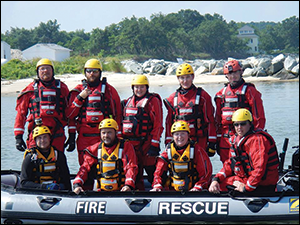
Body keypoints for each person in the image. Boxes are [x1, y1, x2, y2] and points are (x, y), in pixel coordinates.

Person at [209, 108, 279, 195]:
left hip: (262, 183)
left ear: (250, 124)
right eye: (236, 124)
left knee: (226, 187)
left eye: (243, 124)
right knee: (219, 184)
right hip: (246, 178)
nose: (239, 127)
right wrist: (216, 179)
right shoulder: (235, 140)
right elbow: (230, 163)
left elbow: (259, 169)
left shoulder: (257, 140)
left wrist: (246, 188)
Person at [66, 58, 122, 166]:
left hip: (103, 136)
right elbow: (69, 115)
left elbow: (118, 114)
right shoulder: (78, 91)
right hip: (84, 136)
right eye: (89, 71)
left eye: (95, 71)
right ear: (85, 73)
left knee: (104, 167)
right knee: (85, 167)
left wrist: (118, 136)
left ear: (100, 73)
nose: (92, 74)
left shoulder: (109, 91)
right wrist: (80, 98)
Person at [14, 58, 70, 152]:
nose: (45, 71)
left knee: (58, 161)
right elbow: (21, 114)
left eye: (48, 68)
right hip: (36, 132)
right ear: (37, 72)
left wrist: (71, 135)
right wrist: (18, 137)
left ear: (52, 71)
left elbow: (70, 112)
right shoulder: (29, 90)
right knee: (33, 160)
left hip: (57, 132)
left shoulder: (62, 88)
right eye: (42, 69)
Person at [214, 59, 266, 163]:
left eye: (235, 73)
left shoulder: (250, 91)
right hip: (226, 139)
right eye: (230, 74)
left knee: (246, 165)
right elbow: (217, 120)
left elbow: (259, 117)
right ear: (226, 75)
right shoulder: (221, 94)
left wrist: (254, 138)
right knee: (227, 167)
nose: (233, 76)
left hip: (244, 137)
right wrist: (217, 140)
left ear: (241, 72)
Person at [164, 63, 217, 157]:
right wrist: (168, 141)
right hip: (180, 142)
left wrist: (212, 141)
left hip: (199, 140)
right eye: (182, 78)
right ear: (178, 79)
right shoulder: (172, 99)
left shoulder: (203, 96)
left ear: (193, 77)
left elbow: (210, 120)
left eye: (188, 77)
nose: (185, 81)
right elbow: (169, 122)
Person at [121, 74, 164, 190]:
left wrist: (154, 145)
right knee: (135, 171)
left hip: (147, 143)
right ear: (132, 88)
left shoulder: (152, 101)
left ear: (147, 88)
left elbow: (158, 124)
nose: (139, 90)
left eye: (142, 87)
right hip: (131, 145)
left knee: (151, 170)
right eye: (136, 87)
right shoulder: (127, 102)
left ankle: (159, 189)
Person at [73, 118, 138, 193]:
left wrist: (128, 185)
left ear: (116, 133)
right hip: (102, 191)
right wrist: (77, 184)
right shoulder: (94, 149)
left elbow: (131, 167)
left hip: (121, 191)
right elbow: (84, 168)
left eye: (109, 132)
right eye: (103, 133)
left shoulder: (125, 146)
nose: (106, 136)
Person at [150, 120, 212, 192]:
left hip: (193, 190)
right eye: (176, 134)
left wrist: (198, 187)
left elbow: (206, 173)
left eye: (183, 133)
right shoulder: (168, 151)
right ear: (172, 136)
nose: (179, 137)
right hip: (173, 190)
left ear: (188, 135)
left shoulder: (197, 151)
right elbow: (158, 172)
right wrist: (157, 184)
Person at [20, 125, 71, 190]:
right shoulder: (30, 158)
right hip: (36, 192)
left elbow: (66, 179)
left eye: (45, 137)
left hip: (56, 191)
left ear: (50, 138)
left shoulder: (59, 155)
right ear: (35, 140)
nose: (42, 140)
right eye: (39, 138)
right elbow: (24, 183)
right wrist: (45, 187)